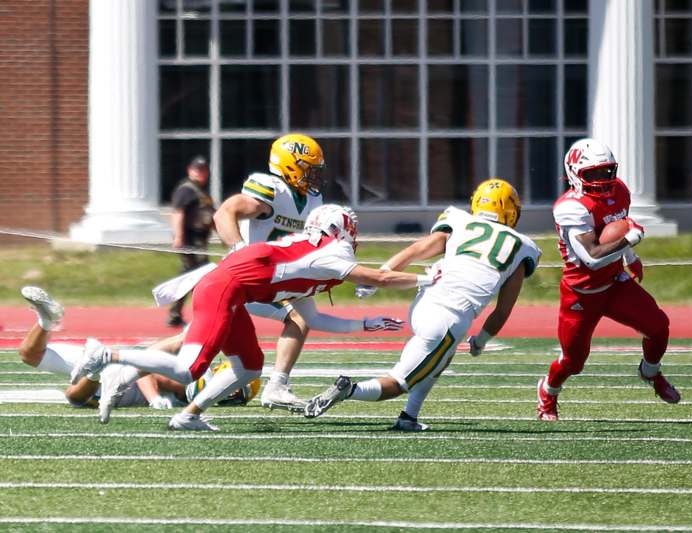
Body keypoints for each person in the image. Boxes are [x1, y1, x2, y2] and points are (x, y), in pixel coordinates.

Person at [71, 204, 437, 431]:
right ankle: (108, 355)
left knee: (248, 367)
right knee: (188, 369)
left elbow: (313, 319)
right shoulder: (327, 252)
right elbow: (378, 277)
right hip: (224, 289)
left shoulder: (310, 257)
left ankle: (190, 415)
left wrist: (365, 324)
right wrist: (428, 277)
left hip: (232, 290)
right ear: (341, 230)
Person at [303, 179, 541, 431]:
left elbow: (417, 249)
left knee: (443, 357)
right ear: (511, 210)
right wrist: (480, 341)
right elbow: (503, 310)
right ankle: (348, 390)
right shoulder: (522, 246)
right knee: (397, 383)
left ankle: (409, 416)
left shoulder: (460, 221)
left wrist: (383, 272)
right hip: (449, 318)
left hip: (425, 301)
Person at [535, 138, 680, 422]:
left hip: (615, 282)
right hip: (581, 292)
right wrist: (630, 239)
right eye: (594, 173)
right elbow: (591, 256)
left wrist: (629, 257)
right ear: (575, 173)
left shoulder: (620, 190)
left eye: (607, 171)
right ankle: (548, 391)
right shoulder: (570, 207)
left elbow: (612, 228)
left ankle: (650, 373)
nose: (602, 180)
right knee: (573, 362)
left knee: (659, 327)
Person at [212, 133, 331, 412]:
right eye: (308, 168)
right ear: (290, 164)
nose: (313, 176)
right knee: (204, 338)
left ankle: (278, 386)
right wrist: (239, 249)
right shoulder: (271, 190)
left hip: (278, 276)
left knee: (302, 316)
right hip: (252, 276)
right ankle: (122, 363)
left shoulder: (313, 200)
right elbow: (224, 214)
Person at [18, 286, 186, 410]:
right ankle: (96, 366)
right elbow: (146, 369)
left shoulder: (180, 398)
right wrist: (154, 398)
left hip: (102, 378)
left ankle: (47, 321)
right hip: (115, 368)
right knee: (76, 396)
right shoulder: (179, 376)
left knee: (30, 355)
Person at [168, 155, 215, 327]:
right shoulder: (186, 190)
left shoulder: (201, 192)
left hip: (200, 239)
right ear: (190, 170)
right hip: (190, 239)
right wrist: (179, 237)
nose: (200, 173)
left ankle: (178, 313)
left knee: (192, 276)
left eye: (203, 170)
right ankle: (201, 313)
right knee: (196, 276)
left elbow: (211, 215)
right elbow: (178, 213)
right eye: (197, 169)